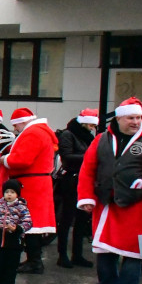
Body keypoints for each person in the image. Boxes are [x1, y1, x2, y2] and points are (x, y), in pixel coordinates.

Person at [77, 97, 142, 284]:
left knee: (133, 254)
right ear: (119, 118)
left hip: (138, 207)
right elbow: (88, 169)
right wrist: (86, 198)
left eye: (138, 117)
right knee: (104, 250)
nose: (136, 121)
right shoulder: (100, 140)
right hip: (106, 206)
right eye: (131, 117)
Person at [1, 107, 58, 275]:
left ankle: (34, 261)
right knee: (34, 224)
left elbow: (22, 159)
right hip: (38, 182)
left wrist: (4, 159)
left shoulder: (33, 133)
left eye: (16, 126)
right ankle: (34, 260)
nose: (15, 130)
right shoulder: (41, 132)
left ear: (21, 123)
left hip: (32, 184)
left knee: (30, 224)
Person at [55, 108, 98, 268]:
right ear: (85, 123)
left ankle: (77, 254)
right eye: (91, 125)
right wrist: (90, 156)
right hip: (71, 179)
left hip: (84, 179)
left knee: (81, 218)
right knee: (67, 218)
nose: (93, 128)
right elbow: (66, 156)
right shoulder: (68, 134)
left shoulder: (86, 136)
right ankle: (62, 254)